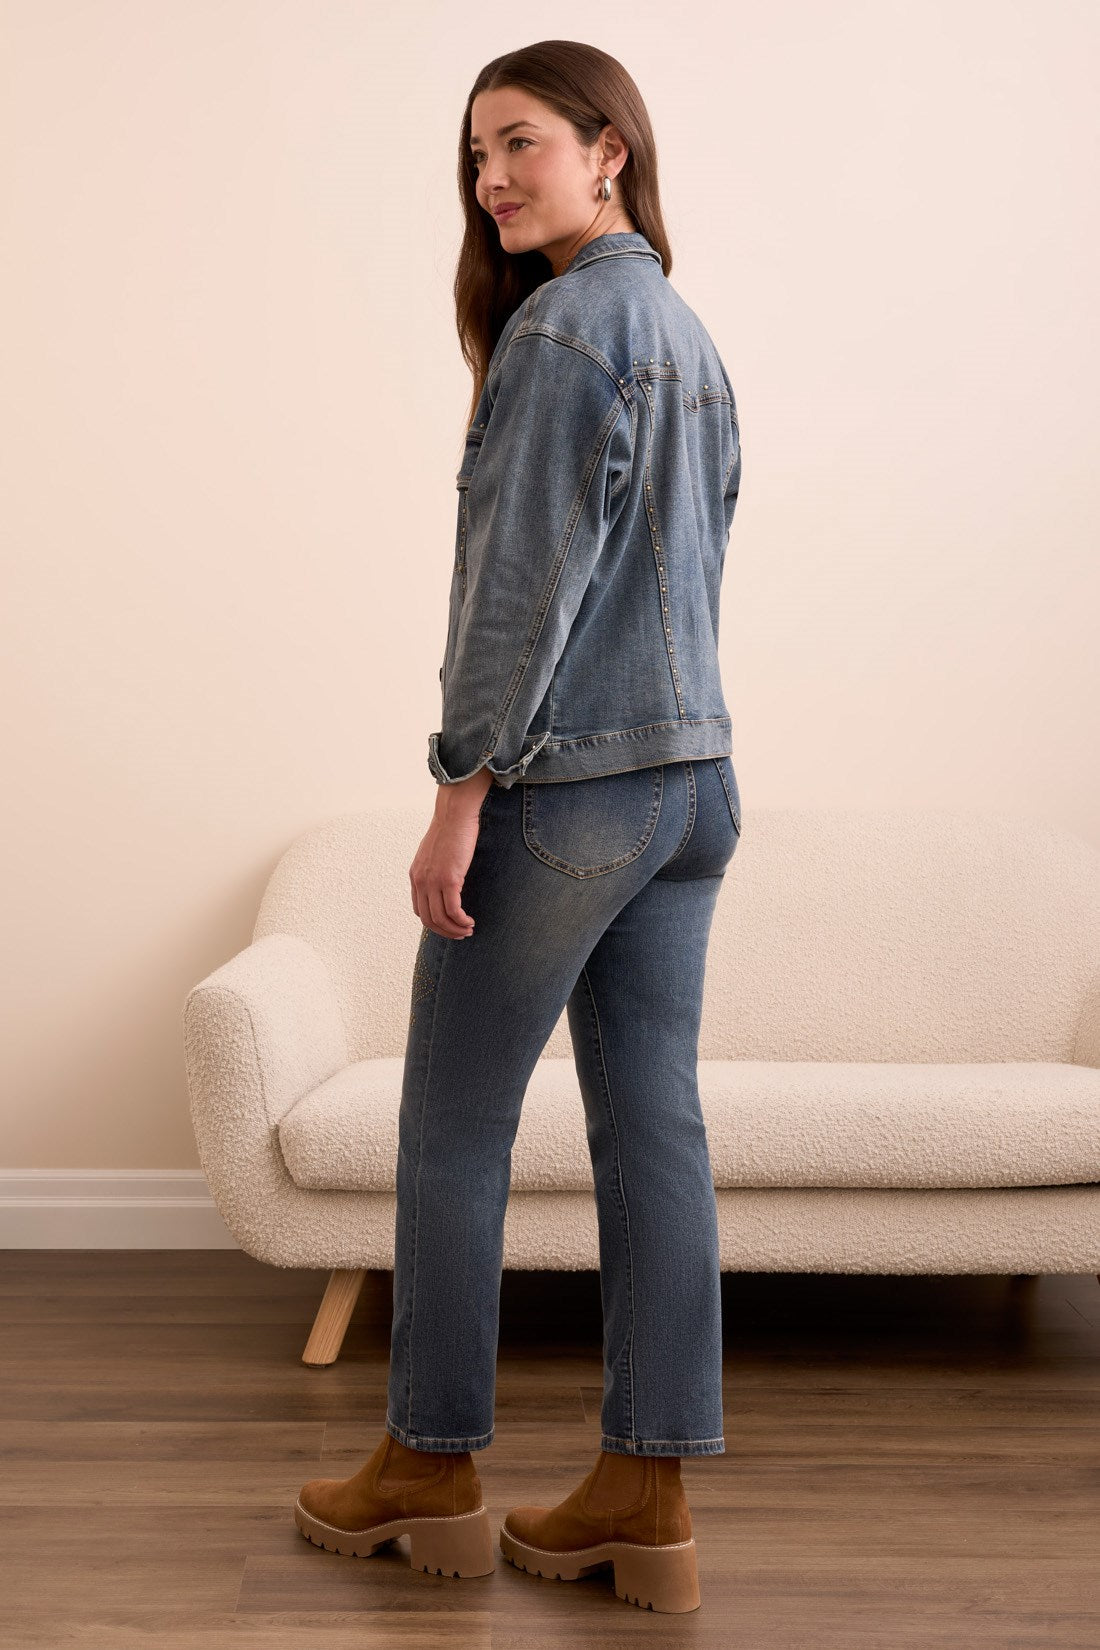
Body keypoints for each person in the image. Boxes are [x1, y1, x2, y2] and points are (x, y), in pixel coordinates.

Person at [294, 39, 743, 1615]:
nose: (490, 178)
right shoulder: (686, 334)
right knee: (654, 1125)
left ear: (612, 150)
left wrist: (459, 788)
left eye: (523, 142)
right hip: (694, 782)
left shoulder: (562, 336)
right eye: (475, 155)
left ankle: (429, 1467)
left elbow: (516, 598)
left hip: (572, 791)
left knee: (452, 1121)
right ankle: (645, 1491)